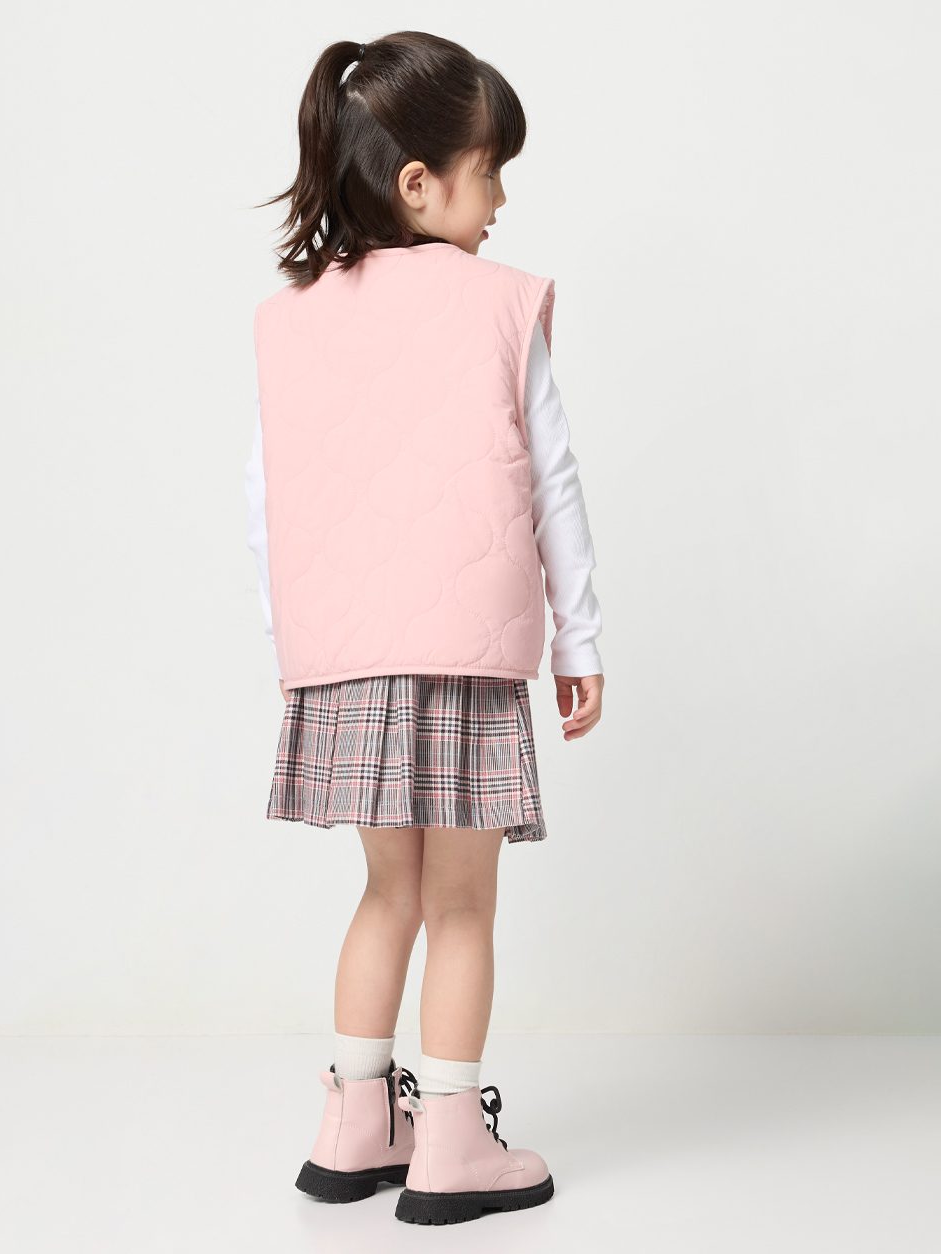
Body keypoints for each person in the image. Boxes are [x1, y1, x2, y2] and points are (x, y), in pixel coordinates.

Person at [244, 30, 604, 1226]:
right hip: (464, 655)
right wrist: (579, 640)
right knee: (461, 905)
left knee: (384, 894)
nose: (499, 202)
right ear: (419, 183)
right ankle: (451, 1143)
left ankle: (354, 1126)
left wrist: (297, 646)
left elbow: (265, 498)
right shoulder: (501, 304)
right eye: (489, 172)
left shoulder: (292, 318)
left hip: (341, 657)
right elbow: (553, 484)